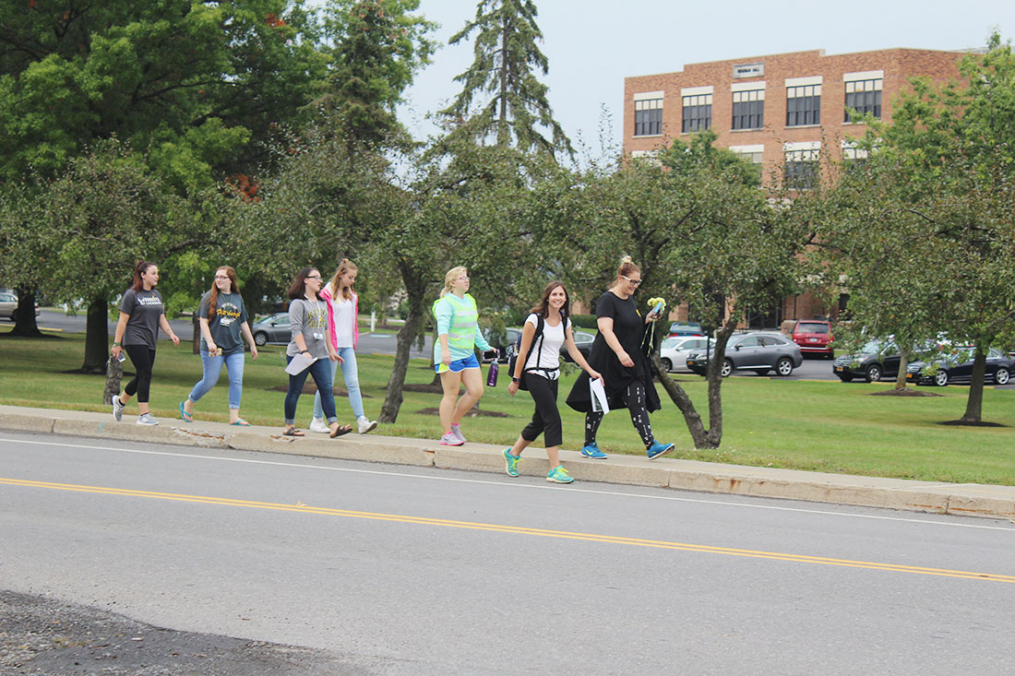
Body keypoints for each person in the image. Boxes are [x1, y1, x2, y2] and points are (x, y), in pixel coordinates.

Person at [565, 257, 674, 460]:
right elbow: (605, 329)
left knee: (637, 400)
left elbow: (631, 325)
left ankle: (651, 445)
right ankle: (589, 444)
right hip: (607, 361)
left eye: (637, 282)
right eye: (632, 281)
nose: (635, 286)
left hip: (630, 363)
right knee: (600, 403)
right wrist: (620, 352)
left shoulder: (629, 300)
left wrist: (647, 319)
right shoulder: (608, 300)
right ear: (620, 278)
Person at [504, 282, 603, 484]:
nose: (558, 298)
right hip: (534, 373)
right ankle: (554, 468)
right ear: (547, 297)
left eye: (562, 295)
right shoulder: (534, 320)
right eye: (555, 294)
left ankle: (513, 453)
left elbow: (573, 350)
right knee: (552, 418)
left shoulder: (565, 321)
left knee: (540, 421)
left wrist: (591, 371)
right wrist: (516, 379)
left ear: (565, 299)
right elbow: (523, 352)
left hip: (553, 375)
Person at [180, 266, 259, 426]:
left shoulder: (238, 298)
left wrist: (252, 343)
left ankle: (234, 416)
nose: (219, 280)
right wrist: (210, 342)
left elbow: (243, 322)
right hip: (214, 348)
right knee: (209, 381)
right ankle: (189, 403)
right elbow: (202, 321)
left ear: (231, 280)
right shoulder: (209, 297)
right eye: (217, 277)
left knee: (236, 380)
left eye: (223, 277)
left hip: (235, 347)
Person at [308, 259, 377, 435]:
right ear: (341, 274)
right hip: (330, 345)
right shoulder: (326, 294)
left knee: (353, 383)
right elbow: (322, 321)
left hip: (347, 345)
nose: (353, 281)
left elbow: (352, 320)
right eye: (351, 277)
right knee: (326, 384)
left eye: (354, 278)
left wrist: (354, 339)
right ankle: (316, 419)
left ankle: (361, 420)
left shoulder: (351, 296)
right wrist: (328, 345)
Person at [282, 267, 352, 438]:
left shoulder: (321, 303)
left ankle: (334, 425)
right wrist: (304, 351)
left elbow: (326, 328)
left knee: (326, 388)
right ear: (305, 280)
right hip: (300, 354)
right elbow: (296, 330)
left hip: (320, 354)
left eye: (320, 278)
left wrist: (331, 350)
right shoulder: (298, 303)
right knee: (295, 390)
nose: (320, 281)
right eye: (316, 278)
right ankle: (289, 425)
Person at [110, 261, 181, 425]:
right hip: (134, 339)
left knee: (141, 375)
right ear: (143, 275)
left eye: (157, 273)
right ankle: (144, 415)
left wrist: (171, 334)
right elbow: (122, 321)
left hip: (150, 340)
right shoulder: (131, 295)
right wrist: (116, 343)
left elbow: (160, 318)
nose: (157, 276)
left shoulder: (156, 295)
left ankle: (120, 402)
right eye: (153, 273)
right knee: (146, 373)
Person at [433, 266, 495, 446]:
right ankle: (446, 434)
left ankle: (453, 424)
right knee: (450, 394)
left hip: (468, 354)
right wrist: (445, 351)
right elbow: (442, 329)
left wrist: (484, 346)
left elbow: (473, 326)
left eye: (466, 277)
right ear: (452, 283)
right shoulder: (446, 302)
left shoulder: (469, 300)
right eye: (462, 278)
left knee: (477, 391)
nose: (466, 280)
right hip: (450, 354)